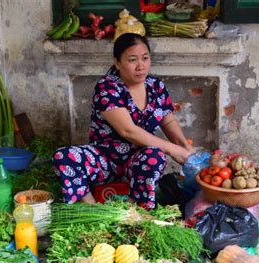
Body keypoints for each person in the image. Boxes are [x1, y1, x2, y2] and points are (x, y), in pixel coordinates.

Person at [53, 33, 196, 209]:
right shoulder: (108, 88)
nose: (141, 66)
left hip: (137, 162)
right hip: (105, 161)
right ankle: (92, 208)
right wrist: (174, 150)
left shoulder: (156, 87)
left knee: (155, 156)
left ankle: (136, 210)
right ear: (117, 62)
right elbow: (127, 130)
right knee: (64, 157)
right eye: (132, 60)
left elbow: (168, 121)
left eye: (145, 58)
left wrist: (185, 148)